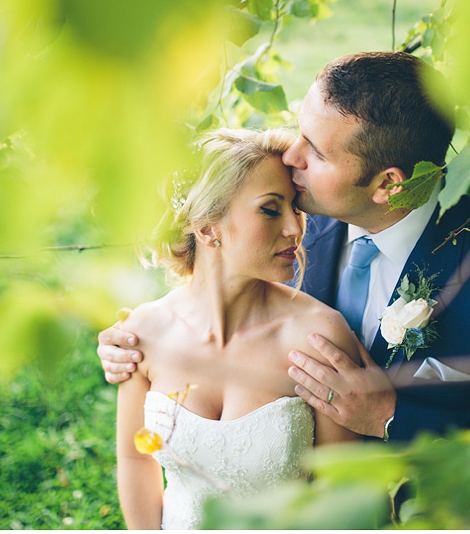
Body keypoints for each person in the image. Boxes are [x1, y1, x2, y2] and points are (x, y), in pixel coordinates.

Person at [100, 51, 470, 444]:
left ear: (388, 185)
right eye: (299, 130)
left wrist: (391, 417)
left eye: (316, 150)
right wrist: (138, 344)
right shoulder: (287, 228)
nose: (290, 156)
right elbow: (214, 302)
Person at [114, 128, 359, 530]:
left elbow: (341, 492)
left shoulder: (318, 336)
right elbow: (133, 457)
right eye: (270, 209)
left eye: (295, 209)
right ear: (208, 228)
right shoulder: (142, 334)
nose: (296, 229)